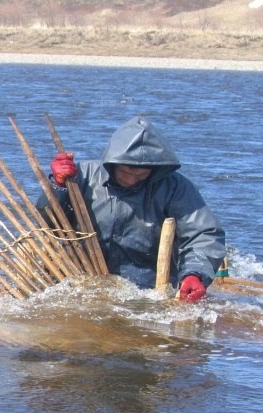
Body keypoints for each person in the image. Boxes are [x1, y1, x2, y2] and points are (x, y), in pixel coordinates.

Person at [42, 115, 225, 302]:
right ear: (113, 163)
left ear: (154, 170)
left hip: (145, 290)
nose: (130, 180)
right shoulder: (82, 176)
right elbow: (46, 223)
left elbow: (204, 234)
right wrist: (59, 187)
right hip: (78, 281)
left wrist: (194, 274)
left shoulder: (175, 188)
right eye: (125, 172)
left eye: (140, 175)